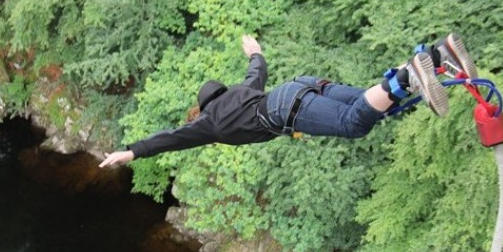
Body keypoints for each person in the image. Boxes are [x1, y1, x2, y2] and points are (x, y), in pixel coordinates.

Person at [99, 33, 476, 167]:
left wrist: (129, 152)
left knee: (354, 124)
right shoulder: (240, 91)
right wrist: (254, 51)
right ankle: (439, 56)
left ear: (203, 105)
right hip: (301, 86)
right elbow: (256, 69)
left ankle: (410, 74)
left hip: (284, 111)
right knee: (368, 102)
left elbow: (169, 139)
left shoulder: (208, 123)